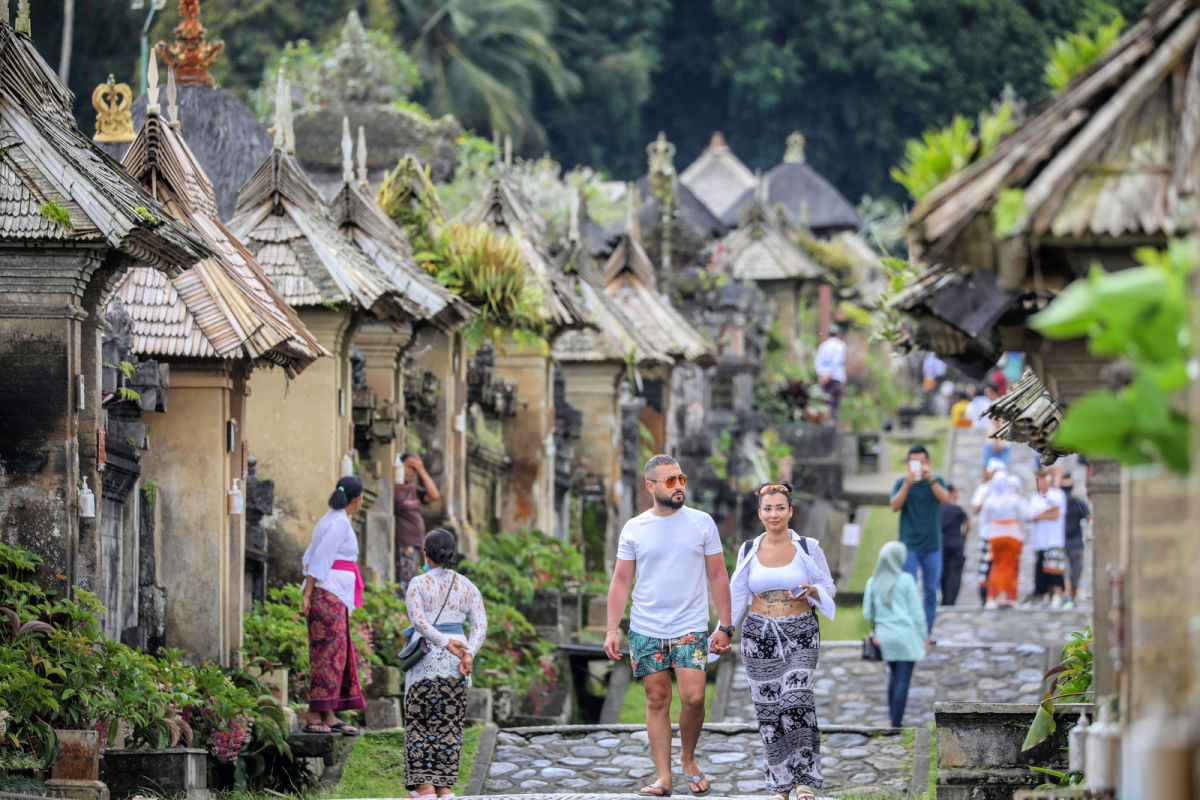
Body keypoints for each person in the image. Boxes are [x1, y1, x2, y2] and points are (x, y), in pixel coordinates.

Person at [605, 455, 733, 798]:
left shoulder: (702, 523)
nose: (679, 486)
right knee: (657, 698)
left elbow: (719, 575)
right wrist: (611, 628)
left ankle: (687, 758)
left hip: (690, 625)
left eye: (682, 479)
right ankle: (664, 777)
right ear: (651, 486)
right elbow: (620, 581)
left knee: (693, 697)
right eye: (670, 481)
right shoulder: (634, 528)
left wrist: (726, 625)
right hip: (646, 627)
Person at [729, 483, 837, 800]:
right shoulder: (748, 549)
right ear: (760, 513)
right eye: (768, 508)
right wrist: (725, 630)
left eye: (780, 507)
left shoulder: (808, 546)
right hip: (758, 635)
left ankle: (805, 779)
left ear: (790, 511)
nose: (774, 513)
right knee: (769, 711)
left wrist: (813, 591)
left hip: (801, 630)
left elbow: (828, 587)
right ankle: (780, 783)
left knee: (796, 697)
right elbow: (738, 596)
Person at [403, 529, 486, 799]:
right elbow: (480, 624)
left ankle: (424, 787)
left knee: (420, 722)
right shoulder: (467, 586)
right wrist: (469, 652)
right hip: (457, 664)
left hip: (426, 660)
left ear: (426, 554)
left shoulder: (418, 583)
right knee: (449, 725)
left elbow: (419, 622)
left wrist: (442, 642)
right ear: (452, 555)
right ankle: (444, 787)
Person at [300, 476, 368, 734]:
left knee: (337, 653)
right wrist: (308, 594)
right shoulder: (338, 523)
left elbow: (309, 555)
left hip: (334, 593)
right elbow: (318, 559)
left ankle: (328, 713)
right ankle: (314, 714)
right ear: (358, 499)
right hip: (327, 593)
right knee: (327, 654)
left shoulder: (334, 520)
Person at [863, 542, 928, 728]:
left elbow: (868, 614)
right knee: (903, 680)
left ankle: (893, 717)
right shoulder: (906, 580)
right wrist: (924, 637)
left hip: (885, 637)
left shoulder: (872, 582)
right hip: (906, 636)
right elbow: (917, 613)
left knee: (894, 675)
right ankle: (896, 723)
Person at [889, 445, 948, 633]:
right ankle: (910, 630)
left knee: (931, 591)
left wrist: (929, 477)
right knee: (909, 590)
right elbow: (894, 506)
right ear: (908, 464)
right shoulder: (901, 483)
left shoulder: (936, 481)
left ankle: (926, 632)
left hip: (932, 545)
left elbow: (945, 499)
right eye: (914, 462)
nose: (919, 466)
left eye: (922, 462)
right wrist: (908, 484)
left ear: (928, 463)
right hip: (909, 546)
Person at [394, 451, 441, 591]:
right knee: (404, 581)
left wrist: (421, 469)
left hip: (415, 543)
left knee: (412, 579)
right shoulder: (394, 490)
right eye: (408, 466)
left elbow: (434, 495)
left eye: (413, 469)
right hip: (403, 542)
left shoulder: (414, 490)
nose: (410, 471)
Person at [982, 474, 1030, 608]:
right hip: (1011, 535)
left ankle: (993, 596)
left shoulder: (990, 500)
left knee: (997, 566)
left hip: (995, 535)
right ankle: (1006, 596)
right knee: (1009, 567)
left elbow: (985, 519)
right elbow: (1024, 516)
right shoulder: (1014, 499)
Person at [1028, 469, 1067, 608]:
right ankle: (1045, 594)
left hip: (1054, 540)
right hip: (1040, 541)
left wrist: (1042, 514)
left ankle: (1057, 593)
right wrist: (1048, 511)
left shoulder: (1057, 495)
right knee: (1042, 571)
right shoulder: (1035, 498)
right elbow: (1032, 515)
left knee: (1054, 569)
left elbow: (1057, 514)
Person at [971, 460, 1007, 605]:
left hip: (1002, 536)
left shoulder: (1007, 491)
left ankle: (999, 596)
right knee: (984, 568)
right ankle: (984, 597)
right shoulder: (983, 489)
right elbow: (975, 509)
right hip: (987, 535)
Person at [1060, 473, 1091, 610]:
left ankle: (1068, 598)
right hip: (1077, 542)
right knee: (1076, 572)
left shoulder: (1059, 503)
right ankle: (1071, 597)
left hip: (1063, 541)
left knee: (1066, 571)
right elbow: (1089, 517)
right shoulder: (1079, 502)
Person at [939, 485, 969, 605]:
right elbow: (967, 524)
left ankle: (945, 598)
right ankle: (950, 600)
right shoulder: (957, 509)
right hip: (956, 544)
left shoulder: (938, 508)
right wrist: (964, 537)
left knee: (943, 572)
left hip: (942, 544)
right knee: (955, 573)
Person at [814, 324, 846, 422]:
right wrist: (829, 374)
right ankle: (832, 421)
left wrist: (822, 375)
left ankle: (826, 420)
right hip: (836, 376)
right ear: (838, 334)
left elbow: (818, 362)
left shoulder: (823, 346)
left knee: (826, 400)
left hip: (824, 377)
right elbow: (837, 361)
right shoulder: (840, 345)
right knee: (834, 402)